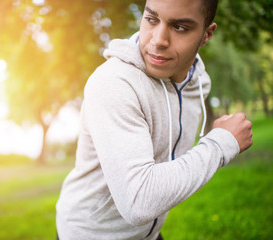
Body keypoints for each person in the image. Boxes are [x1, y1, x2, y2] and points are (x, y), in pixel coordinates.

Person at [56, 0, 253, 239]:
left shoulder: (198, 83)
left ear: (206, 34)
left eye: (180, 27)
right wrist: (221, 143)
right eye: (151, 20)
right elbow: (138, 201)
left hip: (147, 233)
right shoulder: (114, 84)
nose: (158, 40)